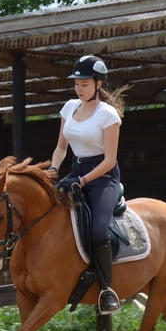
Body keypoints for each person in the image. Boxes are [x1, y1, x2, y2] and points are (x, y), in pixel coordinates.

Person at [49, 55, 126, 314]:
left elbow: (109, 160)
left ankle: (107, 289)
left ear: (98, 84)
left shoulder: (109, 115)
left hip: (103, 179)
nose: (79, 88)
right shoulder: (69, 107)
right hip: (75, 172)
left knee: (97, 231)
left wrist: (83, 181)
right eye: (77, 84)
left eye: (84, 84)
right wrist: (52, 170)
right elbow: (61, 147)